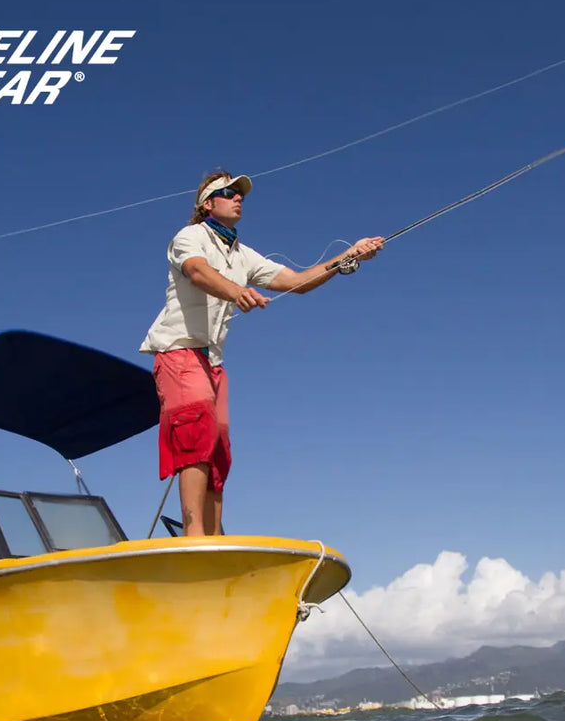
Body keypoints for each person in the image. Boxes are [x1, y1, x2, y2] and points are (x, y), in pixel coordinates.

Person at [140, 169, 384, 536]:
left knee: (218, 447)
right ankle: (194, 537)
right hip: (178, 351)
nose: (238, 197)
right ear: (208, 204)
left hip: (213, 362)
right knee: (195, 432)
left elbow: (297, 283)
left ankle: (215, 538)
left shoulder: (243, 255)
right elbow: (197, 272)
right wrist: (235, 292)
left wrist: (348, 255)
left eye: (241, 193)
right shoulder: (189, 237)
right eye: (229, 192)